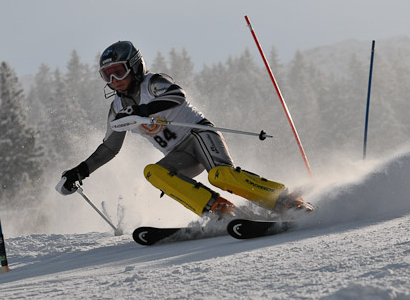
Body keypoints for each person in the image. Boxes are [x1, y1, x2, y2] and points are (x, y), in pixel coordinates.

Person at [56, 40, 310, 218]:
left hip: (199, 135)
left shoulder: (153, 83)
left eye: (118, 72)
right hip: (180, 153)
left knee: (220, 175)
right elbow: (110, 148)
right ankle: (220, 211)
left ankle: (285, 200)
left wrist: (143, 111)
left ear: (134, 66)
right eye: (106, 76)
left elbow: (177, 96)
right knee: (154, 172)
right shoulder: (118, 108)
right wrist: (80, 171)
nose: (114, 82)